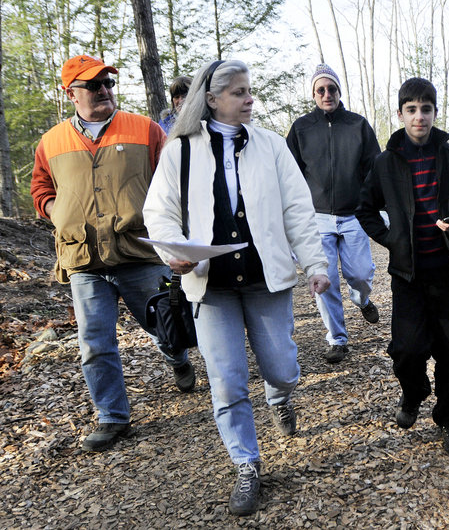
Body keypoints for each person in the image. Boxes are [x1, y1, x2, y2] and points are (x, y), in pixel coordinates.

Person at [143, 60, 330, 516]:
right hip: (211, 287)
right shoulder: (181, 150)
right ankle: (247, 464)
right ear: (211, 100)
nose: (250, 99)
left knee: (282, 369)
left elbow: (298, 210)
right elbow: (160, 212)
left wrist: (315, 264)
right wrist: (174, 255)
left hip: (266, 280)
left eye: (250, 91)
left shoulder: (270, 146)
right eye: (239, 92)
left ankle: (280, 396)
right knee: (226, 383)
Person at [30, 55, 196, 454]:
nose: (104, 90)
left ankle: (177, 356)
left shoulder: (145, 129)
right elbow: (41, 191)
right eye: (94, 85)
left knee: (163, 326)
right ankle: (112, 416)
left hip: (139, 251)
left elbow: (172, 184)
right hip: (83, 259)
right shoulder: (51, 141)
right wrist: (60, 214)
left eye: (108, 83)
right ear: (70, 93)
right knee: (95, 341)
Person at [356, 77, 449, 454]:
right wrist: (391, 239)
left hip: (448, 271)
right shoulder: (385, 162)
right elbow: (365, 209)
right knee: (406, 350)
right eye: (411, 110)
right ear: (400, 114)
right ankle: (413, 393)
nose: (419, 117)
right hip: (408, 275)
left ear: (434, 112)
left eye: (425, 109)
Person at [286, 64, 381, 364]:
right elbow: (289, 173)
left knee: (360, 274)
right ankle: (337, 338)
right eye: (320, 90)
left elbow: (375, 167)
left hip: (353, 215)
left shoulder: (358, 125)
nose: (327, 94)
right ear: (313, 94)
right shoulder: (301, 128)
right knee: (324, 280)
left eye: (332, 89)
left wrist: (372, 203)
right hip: (317, 217)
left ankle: (362, 299)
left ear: (340, 91)